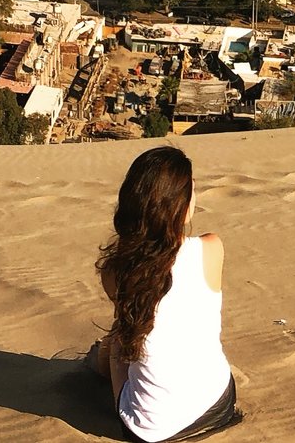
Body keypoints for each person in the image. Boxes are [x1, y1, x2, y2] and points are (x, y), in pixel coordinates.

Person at [85, 145, 240, 440]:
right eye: (191, 190)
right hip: (217, 406)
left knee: (121, 336)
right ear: (181, 205)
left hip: (151, 430)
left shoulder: (116, 271)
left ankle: (95, 364)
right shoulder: (212, 248)